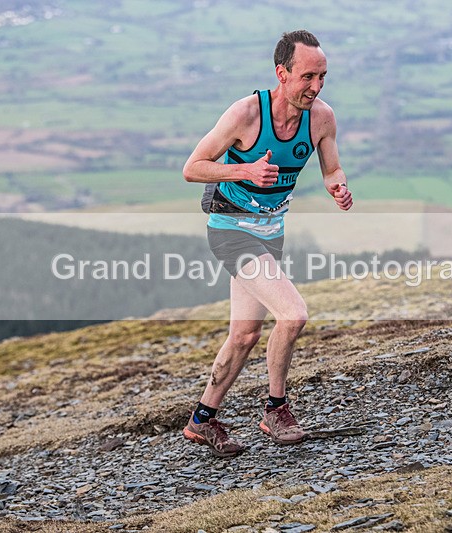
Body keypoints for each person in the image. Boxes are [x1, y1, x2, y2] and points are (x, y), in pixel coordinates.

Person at [181, 30, 353, 457]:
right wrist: (245, 173)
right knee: (293, 316)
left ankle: (202, 420)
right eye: (308, 77)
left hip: (271, 234)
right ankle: (276, 409)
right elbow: (193, 167)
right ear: (283, 73)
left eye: (323, 76)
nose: (316, 86)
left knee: (244, 336)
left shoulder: (322, 118)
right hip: (231, 230)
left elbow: (331, 168)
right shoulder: (245, 114)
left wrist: (338, 186)